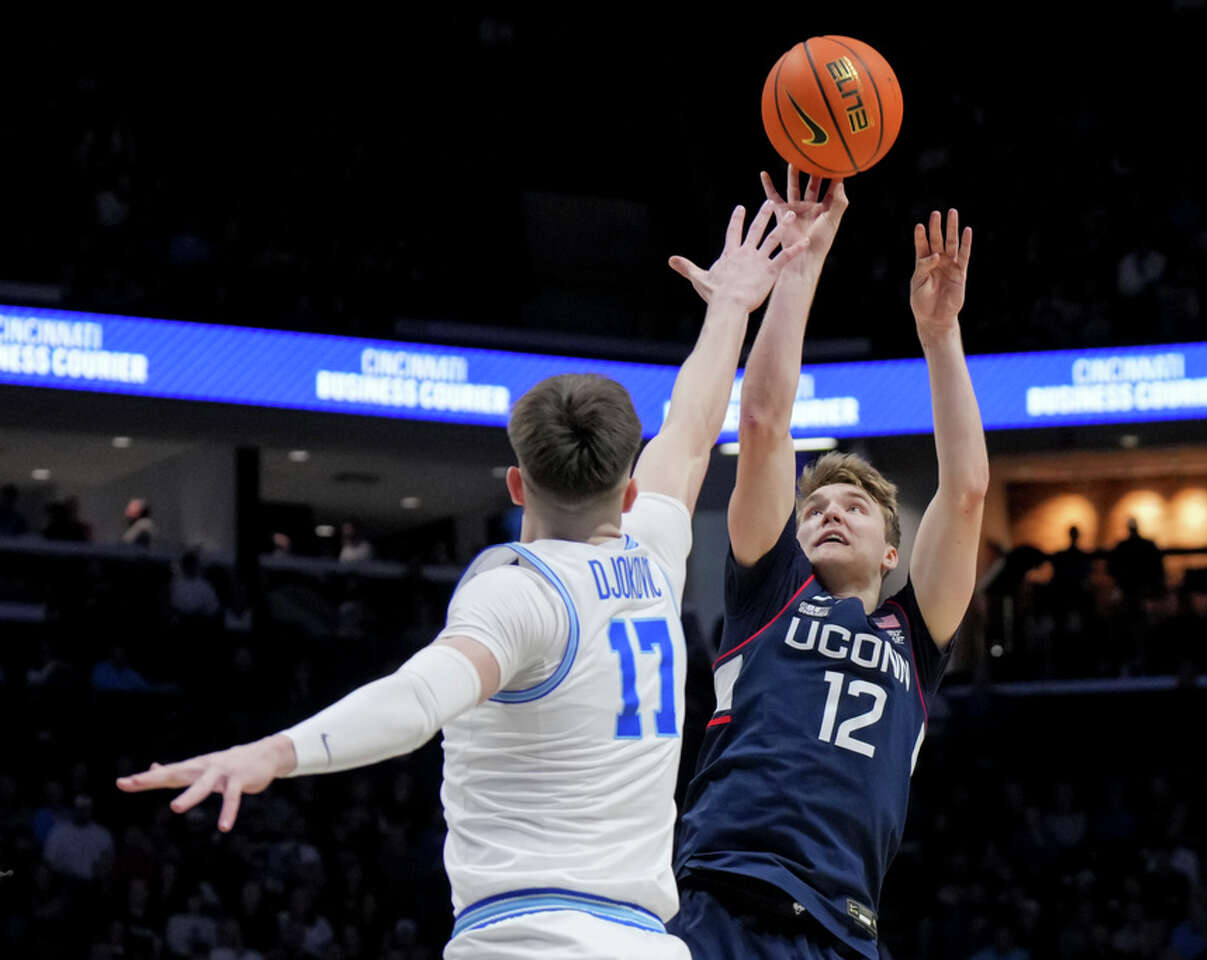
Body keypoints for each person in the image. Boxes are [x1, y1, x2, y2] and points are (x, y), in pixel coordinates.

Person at [117, 200, 806, 960]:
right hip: (645, 942)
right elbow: (691, 428)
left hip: (526, 942)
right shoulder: (654, 554)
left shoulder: (520, 593)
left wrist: (273, 754)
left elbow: (415, 700)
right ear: (630, 490)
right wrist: (733, 309)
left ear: (516, 484)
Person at [670, 168, 989, 960]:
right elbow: (766, 419)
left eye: (852, 506)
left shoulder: (915, 639)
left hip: (843, 929)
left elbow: (968, 490)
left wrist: (940, 336)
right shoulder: (768, 590)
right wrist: (802, 265)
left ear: (893, 549)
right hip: (721, 897)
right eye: (814, 508)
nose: (828, 511)